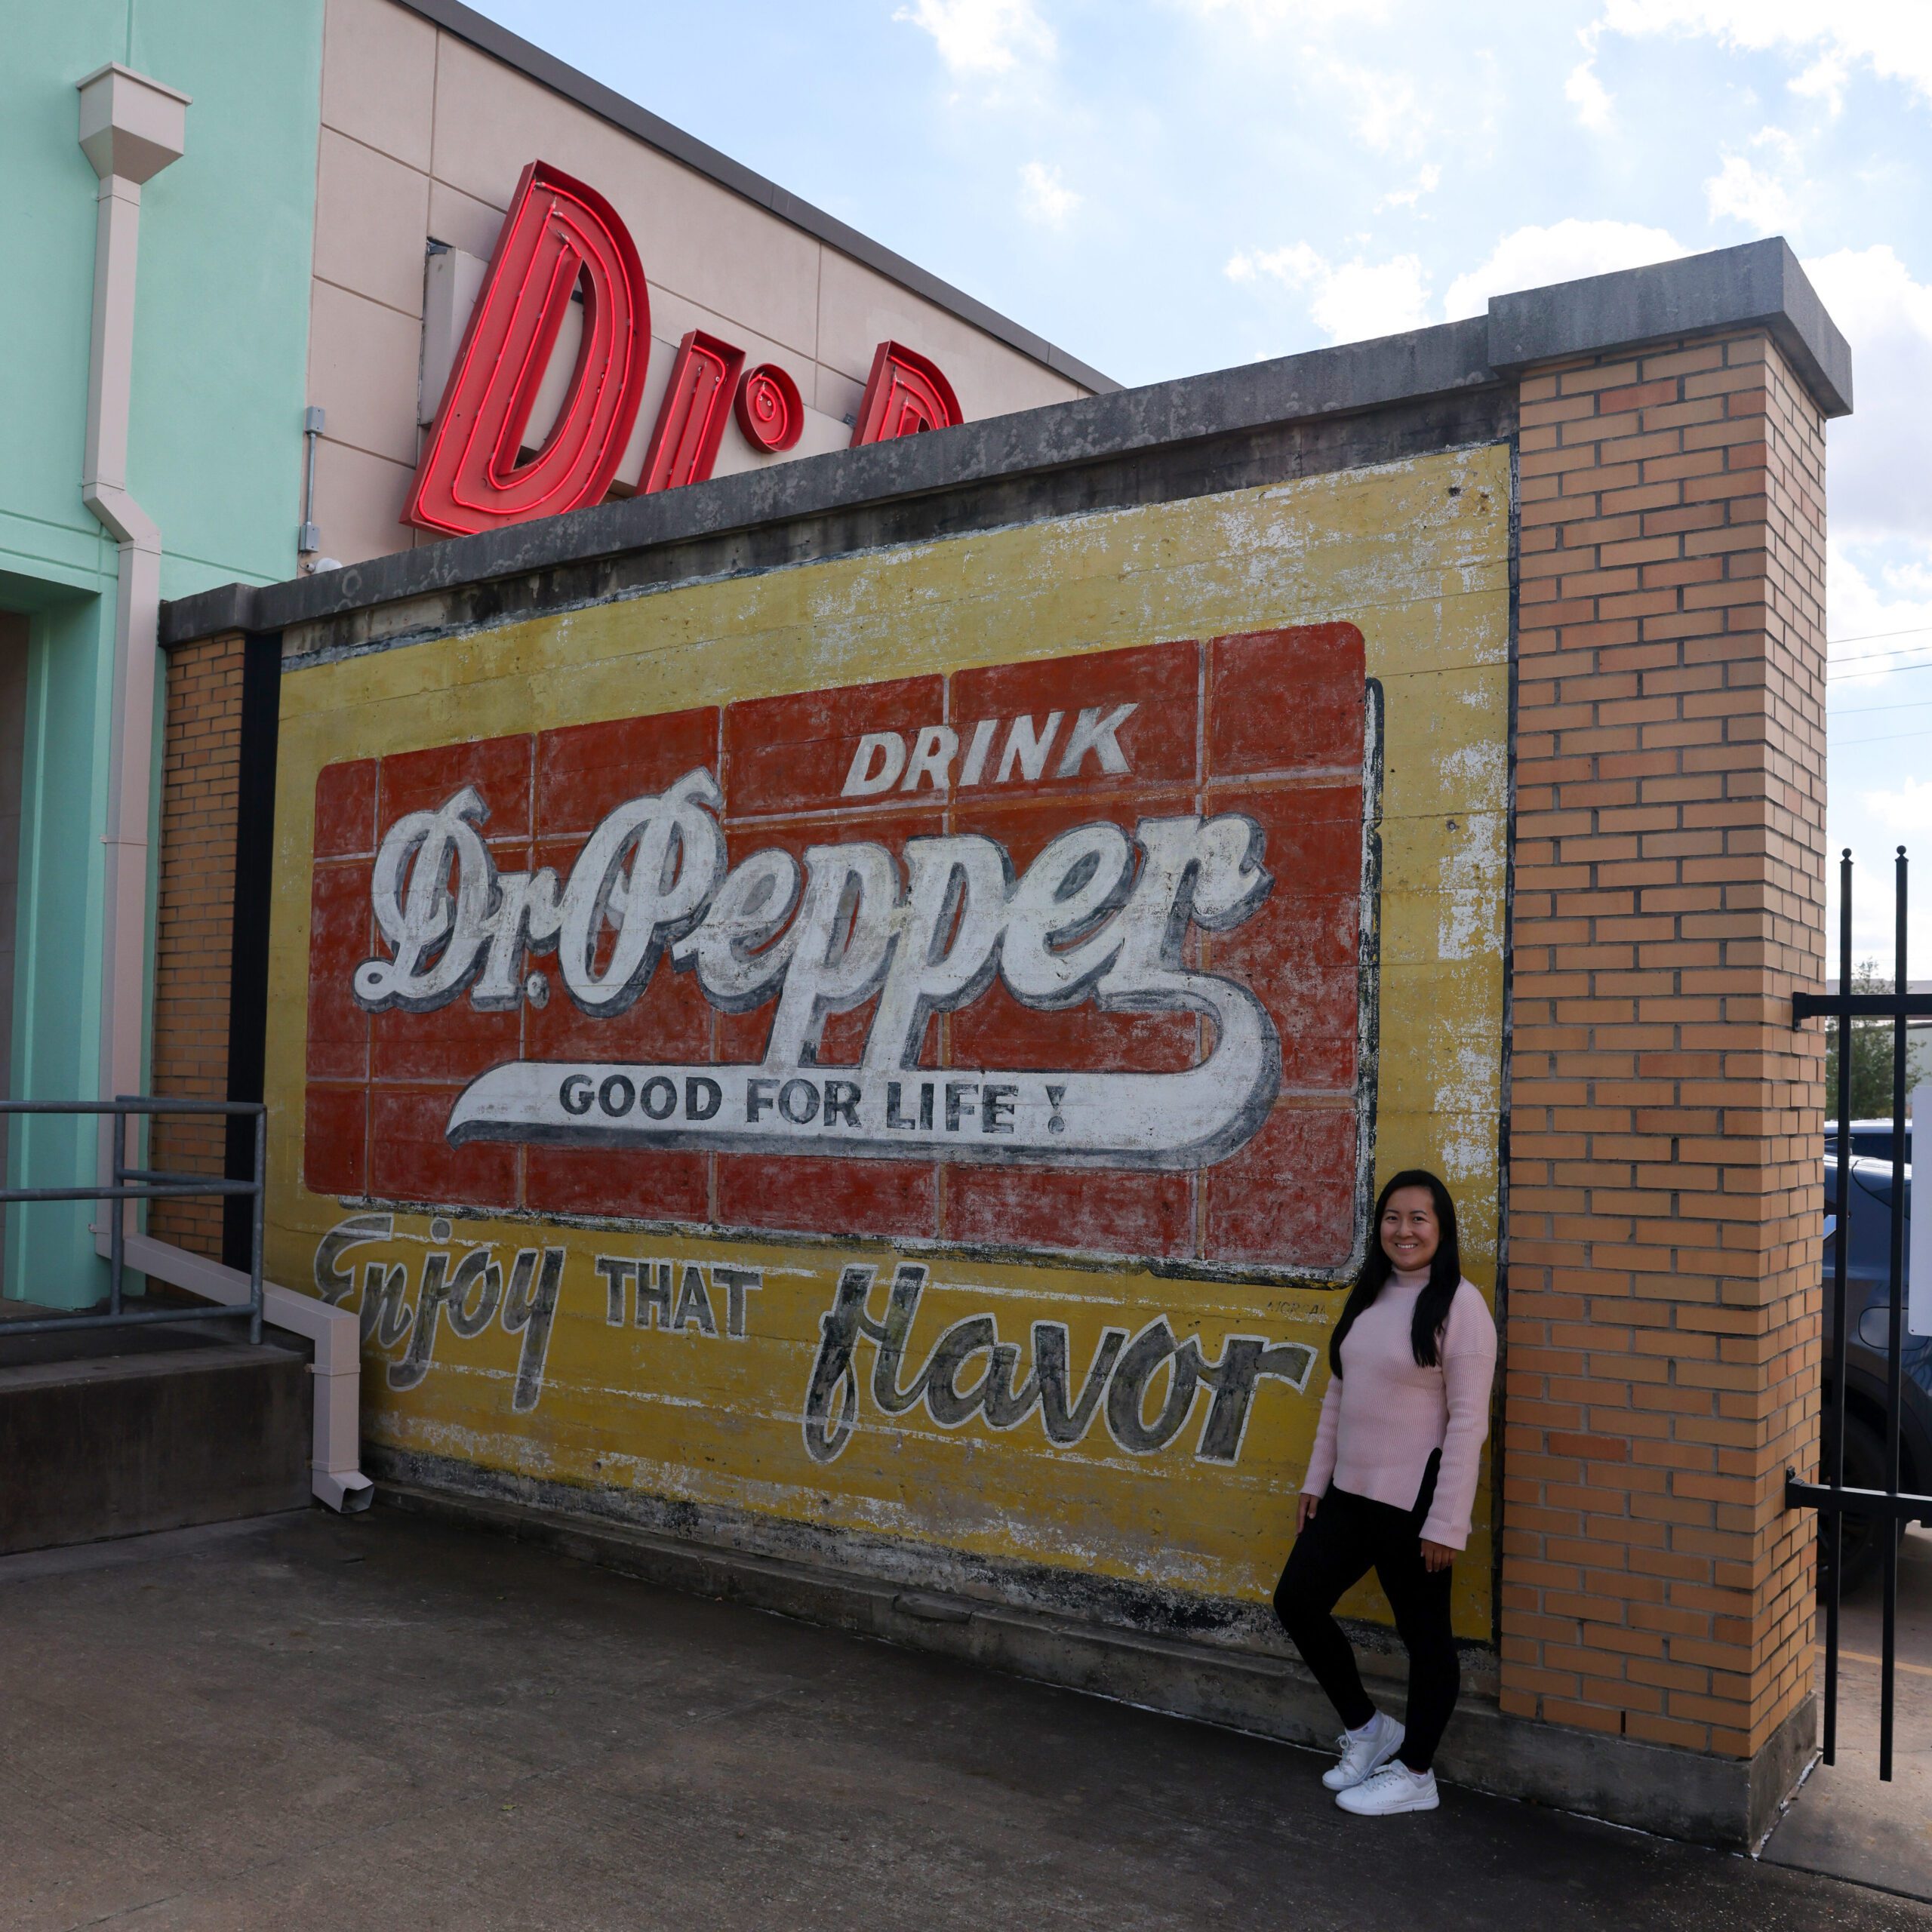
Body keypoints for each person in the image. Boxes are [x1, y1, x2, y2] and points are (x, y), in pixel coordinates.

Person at [1273, 1168, 1497, 1817]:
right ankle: (1372, 1733)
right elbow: (1338, 1394)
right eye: (1392, 1218)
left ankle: (1418, 1773)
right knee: (1297, 1601)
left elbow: (1468, 1422)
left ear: (1442, 1229)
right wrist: (1316, 1481)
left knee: (1426, 1637)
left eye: (1418, 1218)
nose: (1404, 1230)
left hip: (1415, 1501)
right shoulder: (1369, 1297)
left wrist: (1446, 1522)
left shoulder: (1461, 1307)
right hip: (1350, 1494)